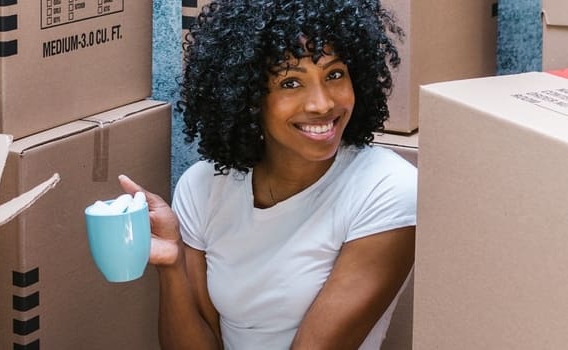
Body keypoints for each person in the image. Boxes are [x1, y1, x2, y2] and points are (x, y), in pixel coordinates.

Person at [119, 0, 416, 348]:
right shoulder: (204, 187)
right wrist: (172, 266)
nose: (321, 104)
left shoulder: (386, 188)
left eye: (335, 75)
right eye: (291, 83)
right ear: (249, 96)